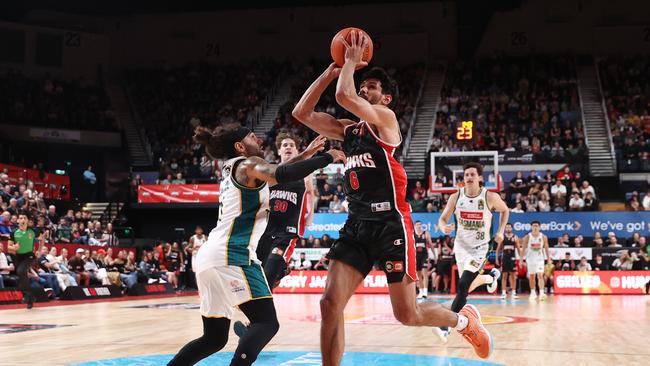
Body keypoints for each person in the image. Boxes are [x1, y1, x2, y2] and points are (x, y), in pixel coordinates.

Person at [292, 30, 493, 363]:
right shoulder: (347, 130)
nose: (364, 88)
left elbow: (344, 96)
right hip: (357, 225)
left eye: (372, 87)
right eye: (364, 84)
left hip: (390, 225)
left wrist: (350, 64)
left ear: (385, 99)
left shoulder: (386, 120)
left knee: (407, 313)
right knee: (329, 304)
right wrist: (330, 71)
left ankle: (463, 321)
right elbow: (302, 113)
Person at [168, 124, 344, 366]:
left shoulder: (236, 169)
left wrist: (306, 154)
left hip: (210, 257)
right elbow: (280, 175)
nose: (259, 140)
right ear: (240, 146)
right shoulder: (247, 165)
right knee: (266, 323)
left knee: (214, 338)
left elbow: (280, 171)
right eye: (252, 137)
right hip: (233, 254)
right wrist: (327, 157)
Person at [434, 162, 509, 342]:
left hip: (481, 248)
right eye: (466, 175)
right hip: (460, 247)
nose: (468, 177)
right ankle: (491, 277)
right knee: (468, 285)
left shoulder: (489, 197)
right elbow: (442, 219)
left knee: (463, 287)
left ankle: (445, 326)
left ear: (479, 178)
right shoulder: (455, 197)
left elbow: (505, 210)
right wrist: (443, 227)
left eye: (472, 174)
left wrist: (500, 231)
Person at [7, 213, 40, 309]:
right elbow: (9, 248)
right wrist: (14, 247)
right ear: (17, 221)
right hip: (18, 257)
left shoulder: (32, 231)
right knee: (21, 276)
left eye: (24, 218)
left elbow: (42, 237)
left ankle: (28, 295)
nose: (22, 219)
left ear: (27, 220)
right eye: (20, 218)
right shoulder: (13, 232)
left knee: (21, 271)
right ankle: (30, 297)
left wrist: (39, 249)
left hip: (29, 256)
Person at [522, 221, 551, 301]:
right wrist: (521, 260)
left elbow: (546, 248)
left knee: (540, 275)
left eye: (537, 226)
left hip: (540, 259)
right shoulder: (527, 236)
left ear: (539, 227)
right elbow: (523, 248)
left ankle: (541, 293)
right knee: (532, 277)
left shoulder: (543, 237)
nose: (535, 227)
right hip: (530, 259)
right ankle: (533, 292)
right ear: (531, 227)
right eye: (534, 226)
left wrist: (548, 259)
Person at [496, 223, 522, 299]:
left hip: (512, 258)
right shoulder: (502, 237)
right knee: (504, 276)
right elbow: (498, 249)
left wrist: (521, 259)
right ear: (505, 229)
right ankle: (503, 293)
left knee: (513, 276)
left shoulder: (515, 237)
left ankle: (514, 292)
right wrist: (497, 259)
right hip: (505, 258)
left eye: (509, 227)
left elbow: (518, 248)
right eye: (506, 227)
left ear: (512, 228)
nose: (508, 229)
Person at [414, 220, 433, 299]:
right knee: (418, 275)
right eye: (417, 225)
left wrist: (434, 255)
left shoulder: (426, 233)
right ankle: (421, 291)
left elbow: (431, 244)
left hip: (424, 255)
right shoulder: (413, 234)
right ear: (415, 226)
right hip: (416, 256)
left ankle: (425, 291)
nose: (419, 226)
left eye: (420, 224)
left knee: (424, 273)